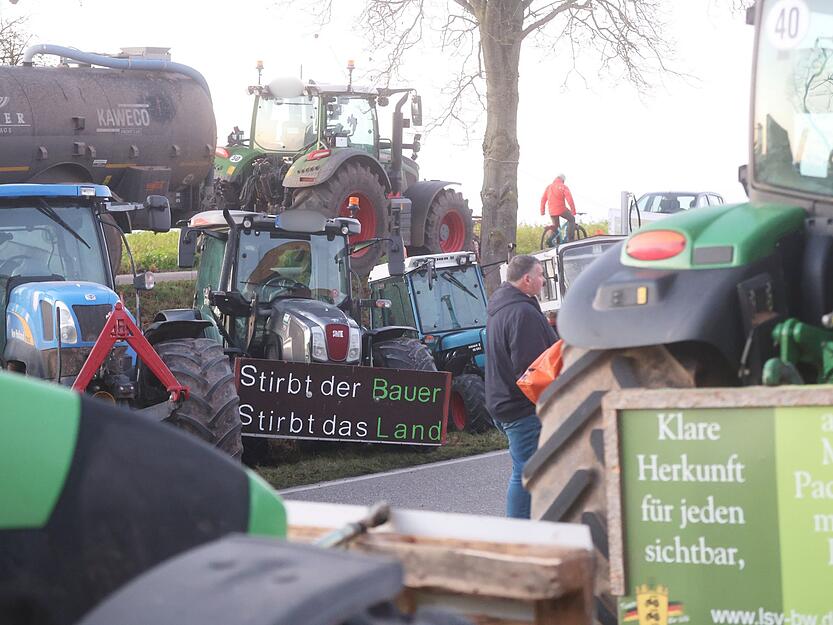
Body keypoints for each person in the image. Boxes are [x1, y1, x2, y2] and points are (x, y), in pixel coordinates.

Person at [485, 255, 558, 518]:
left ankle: (537, 521)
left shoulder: (501, 307)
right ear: (527, 279)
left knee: (528, 469)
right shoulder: (522, 313)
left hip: (500, 401)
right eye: (540, 275)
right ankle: (519, 530)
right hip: (521, 407)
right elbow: (532, 368)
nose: (543, 280)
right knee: (527, 472)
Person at [540, 174, 576, 243]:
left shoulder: (549, 187)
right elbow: (569, 199)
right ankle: (570, 239)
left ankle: (550, 241)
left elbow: (543, 199)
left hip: (551, 211)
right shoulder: (563, 186)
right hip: (561, 209)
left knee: (556, 226)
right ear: (563, 180)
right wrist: (573, 210)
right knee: (571, 219)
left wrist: (542, 211)